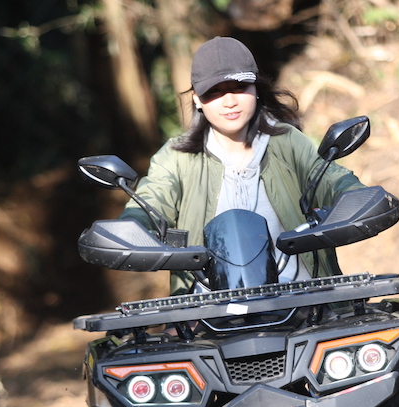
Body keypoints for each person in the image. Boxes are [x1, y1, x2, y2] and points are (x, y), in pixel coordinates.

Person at [119, 36, 367, 295]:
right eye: (214, 91)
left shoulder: (287, 141)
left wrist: (356, 196)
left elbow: (327, 178)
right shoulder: (176, 158)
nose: (229, 101)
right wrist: (131, 228)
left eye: (239, 87)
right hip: (207, 310)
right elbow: (152, 200)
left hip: (301, 301)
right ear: (197, 99)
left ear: (256, 89)